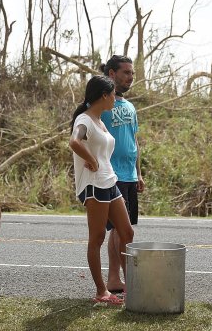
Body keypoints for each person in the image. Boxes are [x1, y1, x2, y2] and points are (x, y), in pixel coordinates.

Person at [69, 75, 134, 305]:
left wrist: (98, 161)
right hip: (93, 186)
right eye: (114, 94)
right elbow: (74, 142)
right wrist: (90, 159)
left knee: (127, 232)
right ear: (104, 95)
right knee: (97, 238)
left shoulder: (99, 121)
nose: (116, 98)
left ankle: (131, 287)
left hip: (109, 182)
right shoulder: (84, 120)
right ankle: (101, 291)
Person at [100, 55, 144, 293]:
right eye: (126, 72)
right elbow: (85, 134)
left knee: (117, 230)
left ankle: (114, 279)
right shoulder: (100, 104)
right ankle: (127, 279)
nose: (130, 77)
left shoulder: (129, 106)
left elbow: (134, 140)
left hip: (129, 175)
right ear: (111, 74)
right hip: (111, 176)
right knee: (121, 229)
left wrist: (139, 172)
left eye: (132, 73)